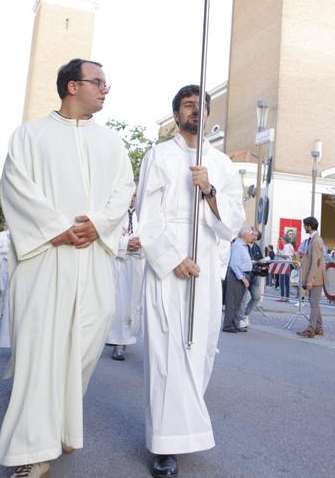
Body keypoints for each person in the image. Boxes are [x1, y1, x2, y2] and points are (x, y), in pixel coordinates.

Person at [0, 58, 134, 477]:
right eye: (99, 82)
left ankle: (61, 426)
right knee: (41, 353)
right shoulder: (30, 136)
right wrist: (56, 229)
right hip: (45, 260)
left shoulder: (113, 143)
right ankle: (30, 453)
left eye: (106, 84)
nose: (105, 90)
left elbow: (123, 190)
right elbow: (15, 185)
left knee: (85, 346)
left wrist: (98, 224)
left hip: (92, 258)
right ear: (72, 86)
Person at [137, 84, 244, 478]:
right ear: (176, 113)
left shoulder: (222, 163)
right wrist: (172, 258)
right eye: (187, 106)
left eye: (202, 106)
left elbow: (233, 222)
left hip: (207, 269)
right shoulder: (159, 156)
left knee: (200, 348)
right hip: (169, 266)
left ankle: (186, 430)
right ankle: (164, 443)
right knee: (168, 350)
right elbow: (147, 217)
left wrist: (210, 189)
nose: (195, 111)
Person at [106, 191, 144, 361]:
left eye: (135, 195)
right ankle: (117, 342)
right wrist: (125, 244)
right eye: (130, 194)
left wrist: (140, 243)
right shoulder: (116, 214)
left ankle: (126, 338)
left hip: (135, 263)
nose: (132, 198)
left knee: (131, 303)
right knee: (119, 303)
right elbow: (108, 237)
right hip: (119, 263)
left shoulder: (142, 215)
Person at [296, 216, 326, 338]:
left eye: (305, 225)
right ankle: (318, 327)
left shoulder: (316, 240)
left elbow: (316, 262)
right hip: (314, 277)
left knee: (314, 303)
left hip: (316, 278)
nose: (304, 227)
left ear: (309, 226)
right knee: (314, 302)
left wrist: (310, 280)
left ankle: (311, 329)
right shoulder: (313, 239)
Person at [240, 229, 268, 328]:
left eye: (256, 236)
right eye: (253, 235)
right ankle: (240, 319)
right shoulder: (243, 245)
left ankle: (245, 315)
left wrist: (263, 262)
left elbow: (260, 259)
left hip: (255, 275)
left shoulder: (256, 247)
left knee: (256, 297)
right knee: (242, 299)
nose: (255, 237)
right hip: (245, 274)